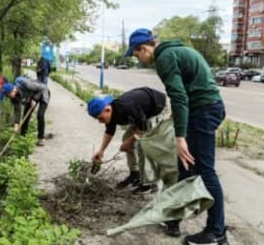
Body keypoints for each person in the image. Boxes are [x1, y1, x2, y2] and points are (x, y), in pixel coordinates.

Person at [125, 28, 228, 245]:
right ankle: (173, 218)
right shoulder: (175, 51)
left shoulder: (164, 58)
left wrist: (180, 137)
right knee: (185, 168)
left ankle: (217, 233)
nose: (139, 60)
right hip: (205, 109)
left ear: (144, 48)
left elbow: (179, 96)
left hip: (203, 111)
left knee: (205, 171)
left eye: (137, 55)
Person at [87, 87, 168, 195]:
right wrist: (101, 151)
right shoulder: (110, 112)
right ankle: (135, 174)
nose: (100, 122)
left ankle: (150, 184)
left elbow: (143, 127)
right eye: (98, 119)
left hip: (158, 107)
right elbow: (109, 131)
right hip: (142, 114)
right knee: (126, 138)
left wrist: (130, 141)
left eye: (100, 118)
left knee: (143, 144)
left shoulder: (126, 107)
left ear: (107, 109)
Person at [0, 76, 50, 146]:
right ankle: (23, 139)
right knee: (25, 117)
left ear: (12, 90)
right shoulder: (13, 98)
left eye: (7, 94)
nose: (8, 97)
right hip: (31, 97)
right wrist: (16, 124)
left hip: (43, 93)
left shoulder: (25, 84)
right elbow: (17, 111)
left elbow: (42, 88)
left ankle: (41, 138)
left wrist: (35, 99)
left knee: (40, 115)